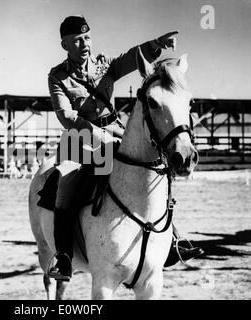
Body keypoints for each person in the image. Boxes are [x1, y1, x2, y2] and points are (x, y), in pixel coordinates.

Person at [47, 15, 203, 281]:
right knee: (65, 187)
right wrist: (95, 133)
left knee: (156, 168)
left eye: (87, 38)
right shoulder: (57, 76)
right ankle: (64, 257)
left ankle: (172, 239)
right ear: (65, 44)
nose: (85, 44)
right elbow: (66, 116)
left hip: (115, 130)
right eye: (77, 40)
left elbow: (130, 58)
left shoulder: (103, 65)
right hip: (79, 139)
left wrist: (157, 45)